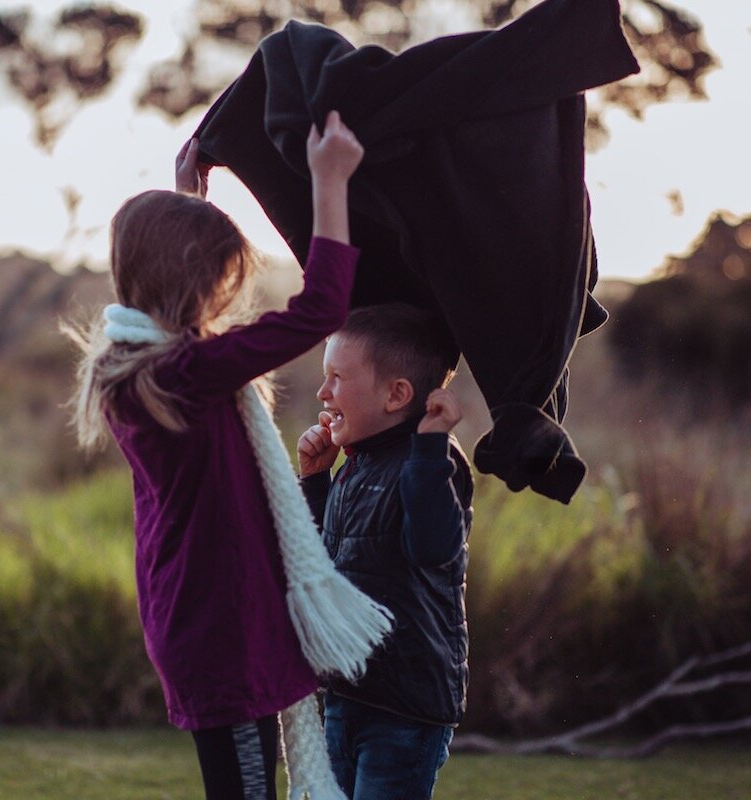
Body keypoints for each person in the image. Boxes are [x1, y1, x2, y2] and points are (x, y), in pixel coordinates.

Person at [71, 111, 373, 800]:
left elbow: (172, 277)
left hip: (206, 615)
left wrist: (188, 202)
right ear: (190, 283)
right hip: (219, 627)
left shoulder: (140, 364)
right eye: (216, 280)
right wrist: (331, 183)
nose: (222, 296)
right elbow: (319, 310)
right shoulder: (184, 375)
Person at [297, 303, 475, 799]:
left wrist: (431, 449)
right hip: (347, 694)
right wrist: (315, 482)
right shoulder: (356, 464)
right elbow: (318, 564)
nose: (323, 393)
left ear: (397, 395)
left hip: (405, 708)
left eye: (337, 377)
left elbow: (433, 546)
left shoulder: (435, 464)